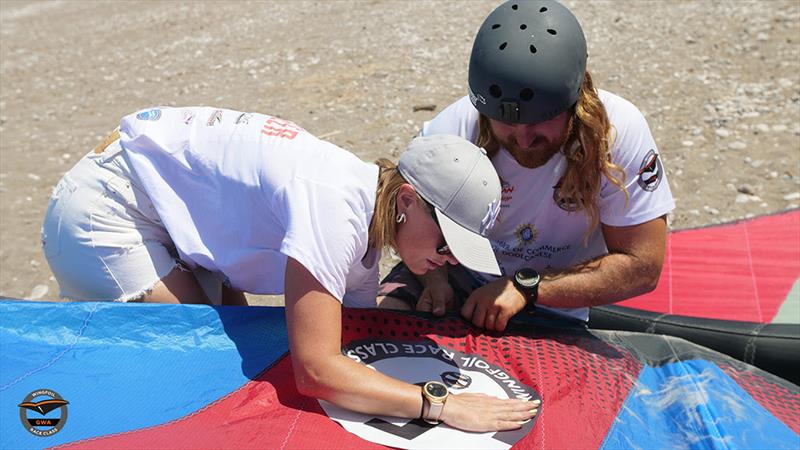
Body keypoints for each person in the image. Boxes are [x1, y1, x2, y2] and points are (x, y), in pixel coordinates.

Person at [41, 106, 538, 431]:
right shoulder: (333, 211)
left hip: (159, 203)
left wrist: (410, 300)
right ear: (407, 199)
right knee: (199, 362)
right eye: (449, 243)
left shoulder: (368, 206)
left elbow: (356, 335)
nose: (449, 262)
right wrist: (440, 405)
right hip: (104, 209)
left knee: (233, 345)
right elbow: (318, 370)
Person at [378, 0, 675, 332]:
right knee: (378, 327)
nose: (523, 139)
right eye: (504, 123)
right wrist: (434, 278)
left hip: (554, 299)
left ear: (577, 102)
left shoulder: (617, 134)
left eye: (542, 121)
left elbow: (643, 265)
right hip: (460, 272)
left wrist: (528, 287)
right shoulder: (452, 132)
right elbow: (411, 223)